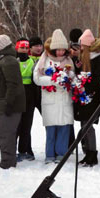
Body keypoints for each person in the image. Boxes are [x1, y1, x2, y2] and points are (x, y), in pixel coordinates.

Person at [34, 29, 75, 163]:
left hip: (64, 99)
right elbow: (37, 78)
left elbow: (73, 76)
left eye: (62, 50)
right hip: (50, 98)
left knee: (64, 128)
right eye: (57, 50)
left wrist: (68, 78)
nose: (60, 53)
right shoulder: (44, 60)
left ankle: (61, 154)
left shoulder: (68, 60)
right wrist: (53, 80)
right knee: (51, 129)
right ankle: (50, 154)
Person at [0, 35, 25, 169]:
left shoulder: (9, 61)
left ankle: (8, 163)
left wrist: (9, 102)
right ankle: (6, 160)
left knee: (6, 135)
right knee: (0, 134)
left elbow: (13, 84)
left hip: (8, 105)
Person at [74, 29, 100, 167]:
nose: (80, 48)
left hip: (93, 96)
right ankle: (88, 152)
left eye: (82, 46)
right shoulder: (85, 59)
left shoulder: (98, 59)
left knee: (88, 125)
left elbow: (97, 78)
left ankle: (92, 153)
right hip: (84, 94)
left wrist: (85, 84)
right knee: (84, 124)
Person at [15, 38, 39, 161]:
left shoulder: (32, 62)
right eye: (22, 48)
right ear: (17, 48)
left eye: (26, 48)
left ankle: (24, 150)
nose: (24, 50)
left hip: (29, 95)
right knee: (16, 125)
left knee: (26, 125)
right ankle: (13, 150)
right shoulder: (14, 61)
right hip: (17, 94)